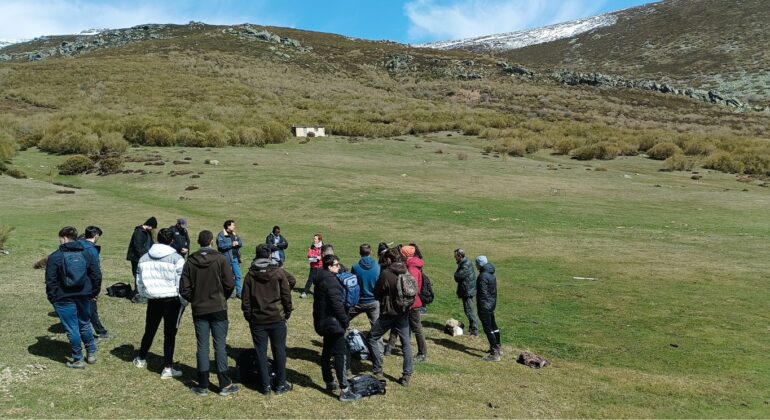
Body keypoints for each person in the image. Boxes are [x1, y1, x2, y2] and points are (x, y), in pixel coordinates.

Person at [180, 230, 239, 397]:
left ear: (199, 242)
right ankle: (224, 384)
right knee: (219, 345)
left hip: (200, 309)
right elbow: (230, 283)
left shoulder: (191, 261)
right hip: (217, 307)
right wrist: (222, 297)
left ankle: (203, 385)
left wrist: (196, 299)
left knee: (202, 346)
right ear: (212, 241)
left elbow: (184, 288)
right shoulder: (219, 259)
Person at [133, 228, 186, 379]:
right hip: (172, 300)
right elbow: (181, 282)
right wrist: (183, 300)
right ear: (172, 241)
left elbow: (139, 280)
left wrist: (145, 294)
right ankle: (168, 368)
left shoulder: (144, 257)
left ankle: (141, 358)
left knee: (150, 329)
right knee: (170, 334)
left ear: (157, 239)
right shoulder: (177, 259)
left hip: (154, 299)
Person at [45, 226, 101, 368]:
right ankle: (91, 353)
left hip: (63, 297)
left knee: (72, 327)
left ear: (63, 237)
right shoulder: (87, 253)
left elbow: (50, 281)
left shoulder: (55, 256)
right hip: (84, 295)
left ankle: (77, 359)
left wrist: (52, 298)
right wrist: (94, 293)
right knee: (85, 323)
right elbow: (96, 275)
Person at [242, 244, 294, 395]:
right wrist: (287, 312)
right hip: (274, 317)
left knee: (261, 352)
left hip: (259, 319)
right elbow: (286, 295)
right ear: (269, 255)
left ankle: (266, 385)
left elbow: (245, 300)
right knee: (279, 350)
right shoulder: (275, 273)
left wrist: (249, 315)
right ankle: (280, 383)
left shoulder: (252, 274)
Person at [312, 254, 361, 402]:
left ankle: (328, 381)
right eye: (336, 265)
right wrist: (345, 321)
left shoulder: (320, 278)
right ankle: (344, 390)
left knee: (327, 351)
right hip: (333, 323)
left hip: (323, 321)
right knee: (340, 355)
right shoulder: (332, 282)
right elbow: (337, 306)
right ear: (329, 267)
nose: (339, 267)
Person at [368, 248, 413, 387]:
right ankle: (407, 375)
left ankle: (378, 369)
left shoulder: (386, 274)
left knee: (372, 338)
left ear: (389, 259)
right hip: (403, 313)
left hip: (388, 313)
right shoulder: (406, 271)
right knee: (406, 345)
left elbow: (376, 293)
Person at [385, 245, 427, 362]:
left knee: (416, 328)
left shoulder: (412, 269)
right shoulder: (411, 266)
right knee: (397, 323)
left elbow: (411, 290)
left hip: (411, 303)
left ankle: (422, 353)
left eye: (401, 253)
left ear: (405, 255)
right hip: (407, 302)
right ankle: (389, 347)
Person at [78, 226, 114, 340]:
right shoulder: (91, 250)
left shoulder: (77, 244)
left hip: (75, 282)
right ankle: (101, 332)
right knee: (91, 308)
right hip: (87, 284)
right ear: (96, 235)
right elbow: (96, 274)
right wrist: (95, 291)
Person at [475, 256, 501, 362]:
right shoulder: (491, 274)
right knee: (494, 326)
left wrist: (482, 306)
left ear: (479, 264)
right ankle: (498, 346)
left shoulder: (482, 276)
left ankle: (494, 353)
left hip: (484, 306)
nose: (475, 265)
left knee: (488, 329)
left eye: (476, 263)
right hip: (491, 304)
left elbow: (482, 293)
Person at [348, 243, 380, 324]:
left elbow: (352, 284)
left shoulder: (355, 267)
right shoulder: (378, 266)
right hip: (374, 301)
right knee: (377, 328)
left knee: (342, 320)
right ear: (371, 252)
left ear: (360, 253)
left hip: (358, 301)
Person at [126, 217, 157, 297]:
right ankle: (137, 294)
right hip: (137, 258)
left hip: (144, 258)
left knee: (143, 276)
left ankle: (141, 292)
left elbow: (151, 244)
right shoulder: (139, 232)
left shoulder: (147, 232)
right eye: (153, 227)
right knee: (138, 276)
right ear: (149, 225)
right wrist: (144, 257)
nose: (152, 229)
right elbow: (137, 247)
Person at [454, 248, 478, 337]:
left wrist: (455, 274)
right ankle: (472, 328)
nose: (455, 258)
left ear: (460, 256)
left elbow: (458, 276)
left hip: (467, 291)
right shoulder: (465, 262)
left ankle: (474, 331)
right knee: (468, 310)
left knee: (469, 310)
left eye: (456, 256)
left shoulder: (465, 265)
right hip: (467, 289)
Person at [216, 220, 243, 299]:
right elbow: (220, 246)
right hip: (226, 259)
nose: (234, 226)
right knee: (228, 276)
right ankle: (230, 292)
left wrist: (238, 243)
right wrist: (231, 244)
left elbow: (240, 242)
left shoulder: (234, 234)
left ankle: (239, 292)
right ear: (228, 226)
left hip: (235, 258)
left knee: (238, 275)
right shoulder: (221, 235)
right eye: (233, 225)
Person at [300, 234, 323, 298]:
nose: (314, 240)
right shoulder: (312, 246)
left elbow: (325, 256)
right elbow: (309, 255)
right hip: (313, 266)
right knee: (310, 279)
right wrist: (316, 256)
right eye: (314, 238)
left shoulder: (323, 247)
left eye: (315, 239)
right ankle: (305, 292)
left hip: (320, 267)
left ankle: (320, 293)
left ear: (319, 240)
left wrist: (320, 257)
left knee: (320, 281)